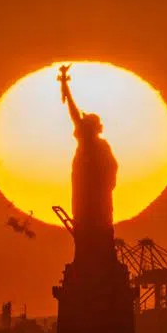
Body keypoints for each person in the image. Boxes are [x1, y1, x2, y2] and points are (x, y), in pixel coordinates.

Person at [58, 66, 118, 262]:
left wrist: (66, 86)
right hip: (87, 194)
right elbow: (74, 114)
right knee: (86, 226)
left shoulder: (98, 146)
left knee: (96, 226)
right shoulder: (92, 145)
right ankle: (89, 257)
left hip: (96, 195)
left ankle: (98, 258)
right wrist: (65, 86)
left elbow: (112, 167)